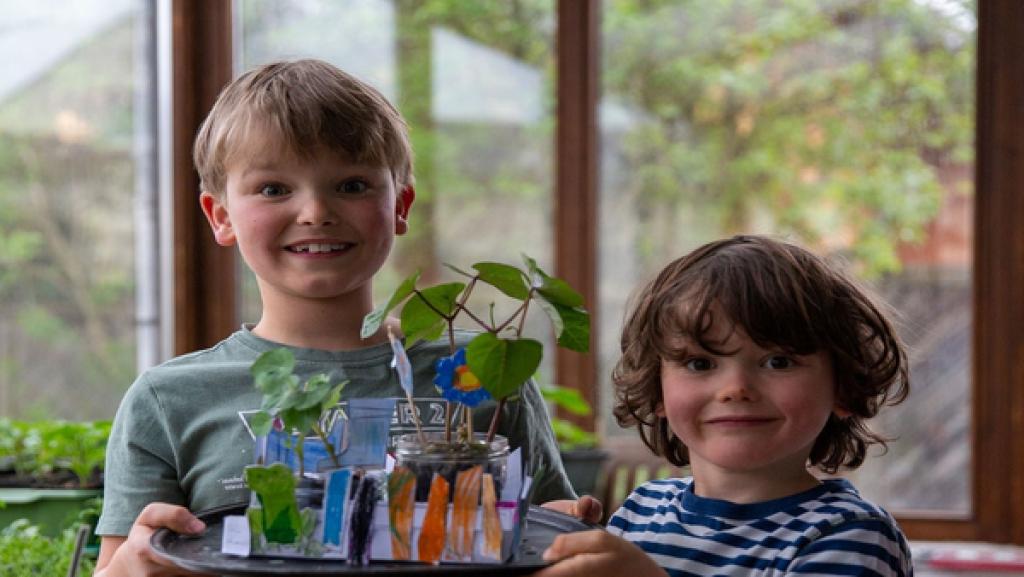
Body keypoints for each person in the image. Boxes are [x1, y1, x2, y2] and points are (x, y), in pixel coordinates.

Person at [93, 58, 575, 576]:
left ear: (401, 205)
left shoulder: (483, 370)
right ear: (221, 216)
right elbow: (120, 565)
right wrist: (129, 567)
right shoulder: (168, 400)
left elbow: (551, 536)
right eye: (274, 189)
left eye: (351, 185)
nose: (316, 212)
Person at [537, 235, 913, 577]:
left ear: (844, 388)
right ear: (657, 391)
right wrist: (550, 546)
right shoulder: (640, 510)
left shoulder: (852, 535)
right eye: (700, 363)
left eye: (778, 361)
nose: (735, 389)